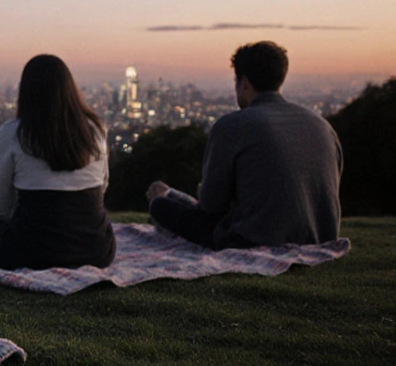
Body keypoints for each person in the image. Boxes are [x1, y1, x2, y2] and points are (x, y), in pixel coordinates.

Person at [147, 41, 342, 249]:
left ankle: (161, 197)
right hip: (319, 237)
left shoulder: (231, 125)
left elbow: (211, 206)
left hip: (250, 239)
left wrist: (164, 201)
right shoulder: (322, 125)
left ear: (245, 82)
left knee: (159, 206)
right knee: (181, 204)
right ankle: (170, 193)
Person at [0, 54, 115, 270]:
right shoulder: (94, 130)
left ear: (26, 91)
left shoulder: (12, 133)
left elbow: (2, 207)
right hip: (97, 251)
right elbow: (102, 187)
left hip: (30, 253)